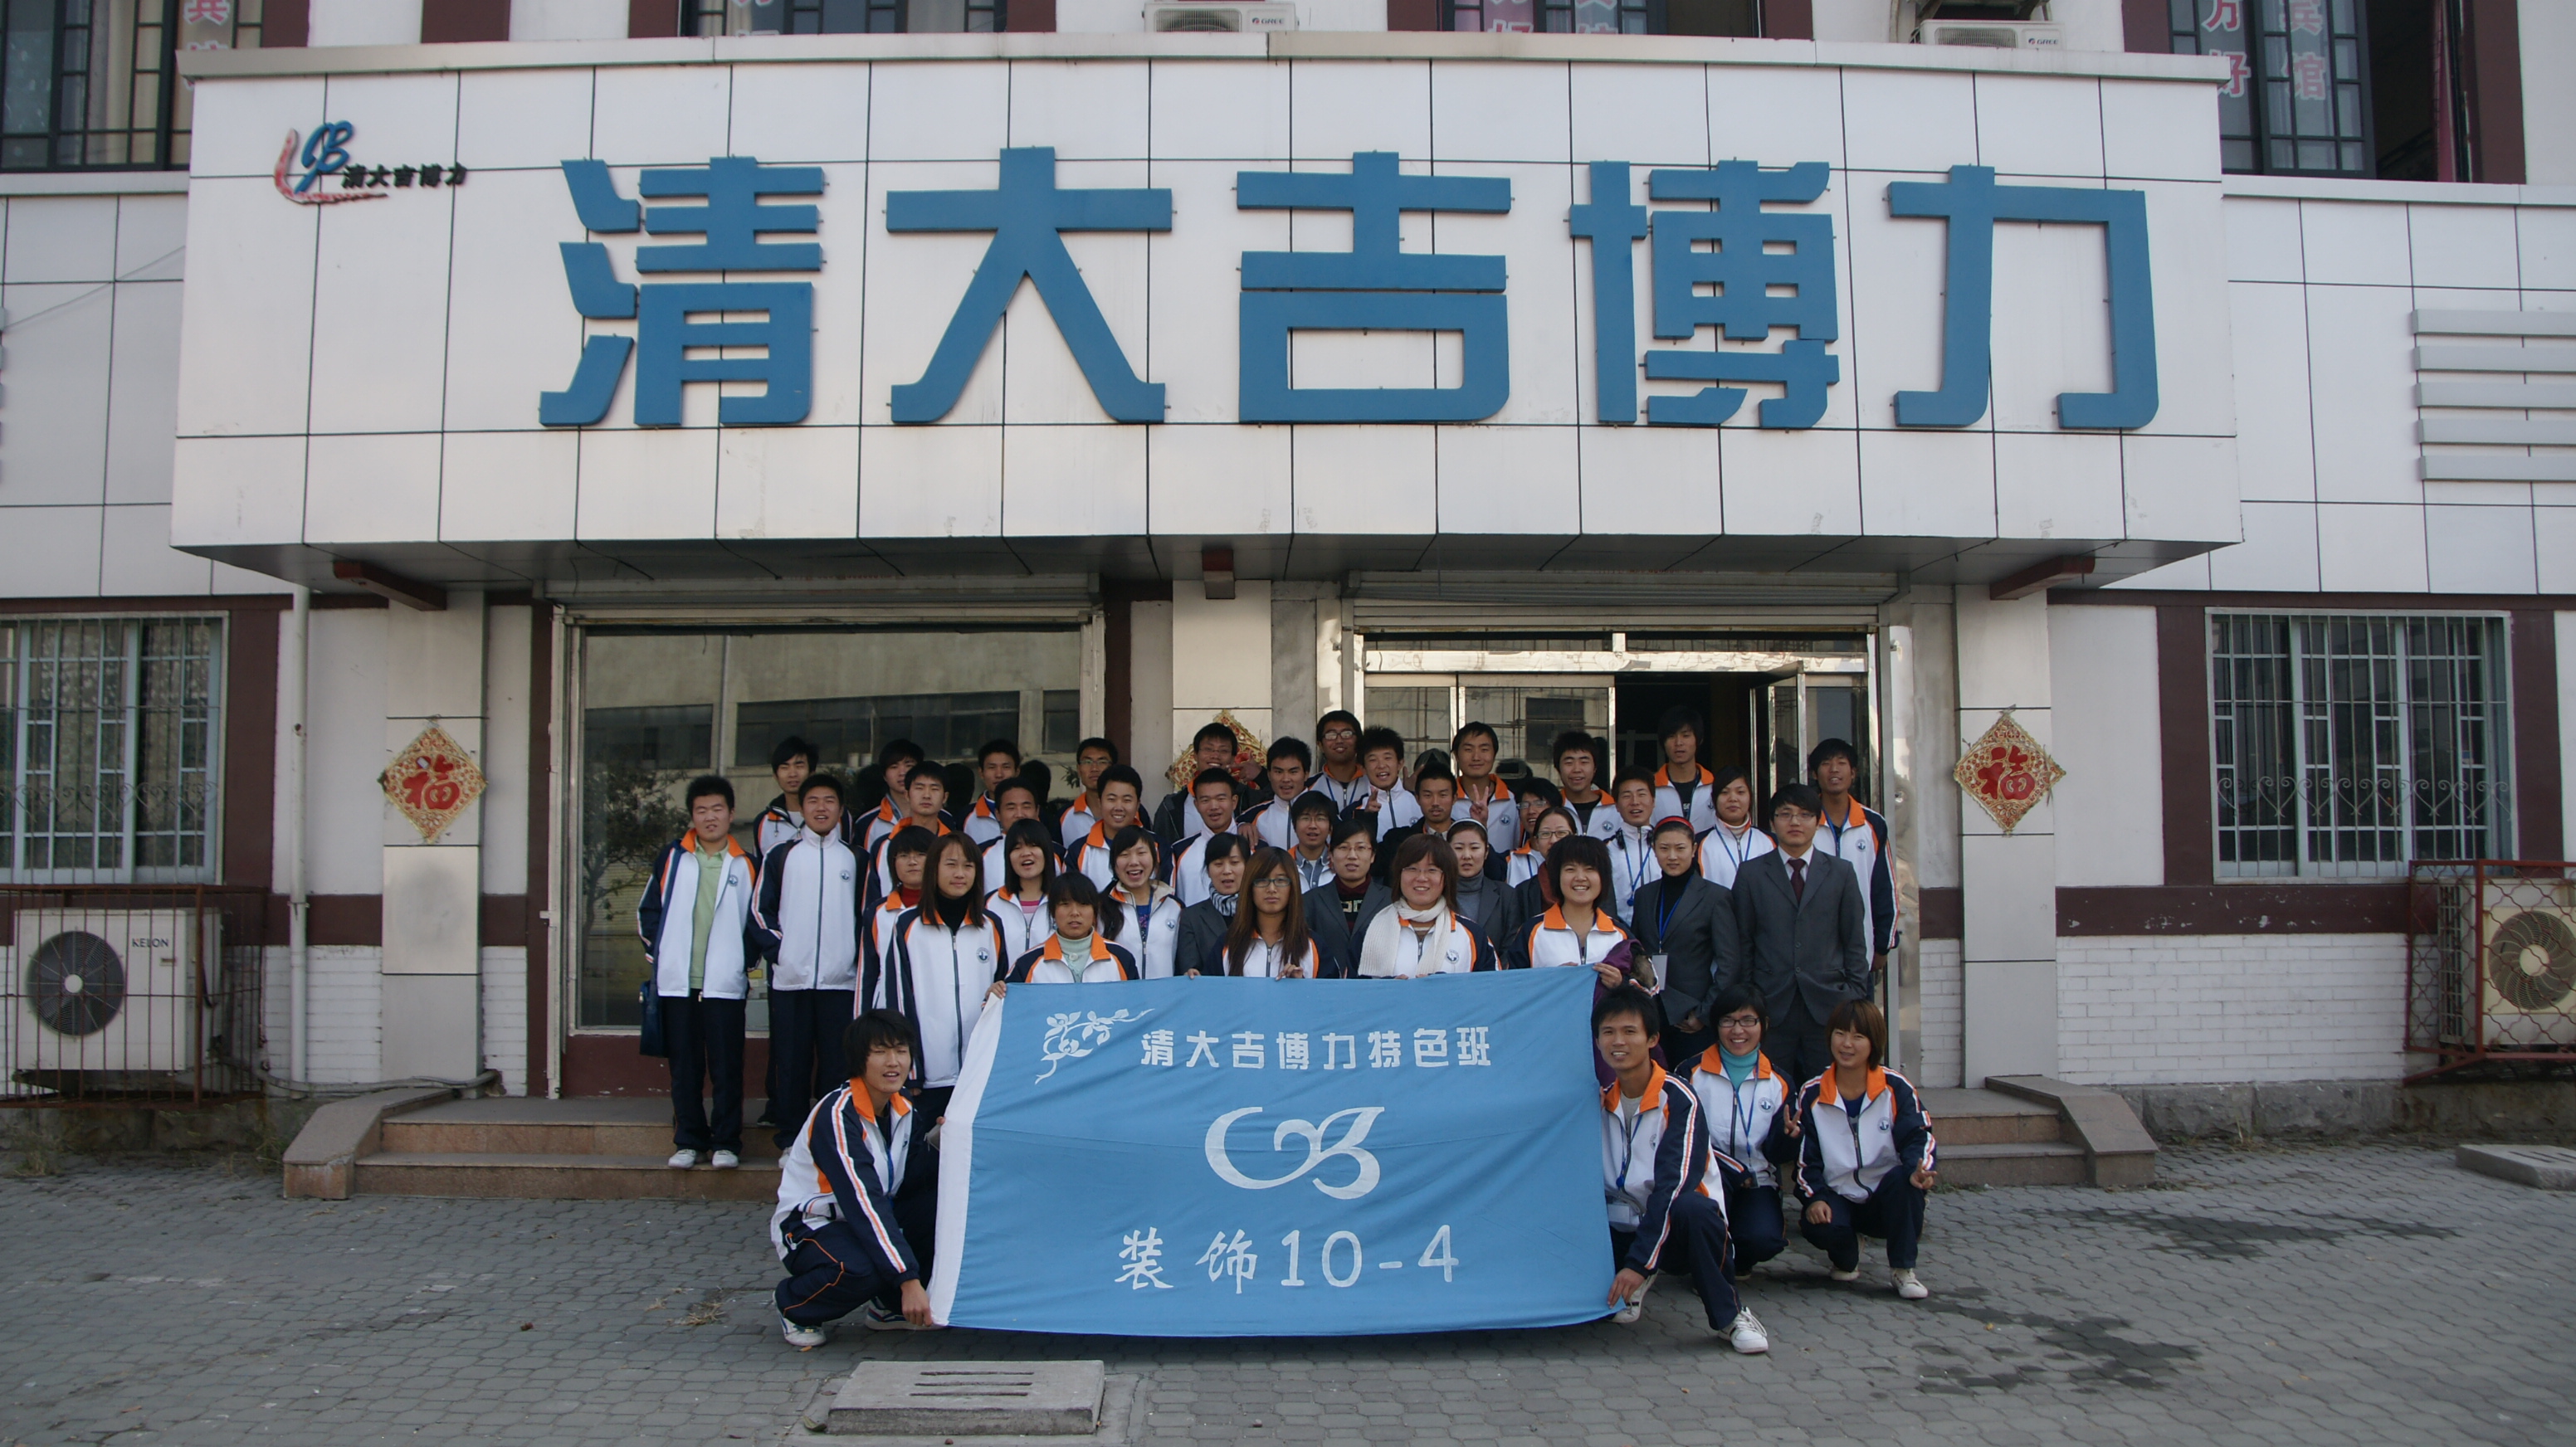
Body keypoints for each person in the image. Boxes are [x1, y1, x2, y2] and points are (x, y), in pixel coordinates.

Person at [1594, 985, 1768, 1353]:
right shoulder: (1598, 1101)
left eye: (1629, 1031)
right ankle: (1623, 1284)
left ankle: (1731, 1315)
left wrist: (1639, 1263)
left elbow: (1672, 1187)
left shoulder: (1679, 1098)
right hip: (1620, 1226)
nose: (1618, 1042)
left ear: (1652, 1039)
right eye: (1608, 1032)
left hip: (1675, 1230)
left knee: (1694, 1209)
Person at [772, 1010, 940, 1347]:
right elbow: (865, 1202)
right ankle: (794, 1305)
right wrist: (908, 1279)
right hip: (813, 1225)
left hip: (870, 1218)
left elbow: (915, 1182)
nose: (893, 1062)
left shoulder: (904, 1108)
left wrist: (943, 1143)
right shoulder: (837, 1115)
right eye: (880, 1052)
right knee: (860, 1269)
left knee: (943, 1211)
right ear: (859, 1059)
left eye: (901, 1051)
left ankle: (887, 1307)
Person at [639, 774, 759, 1171]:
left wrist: (745, 962)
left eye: (717, 809)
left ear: (731, 814)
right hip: (679, 984)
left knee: (727, 1067)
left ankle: (726, 1142)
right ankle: (689, 1140)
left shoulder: (746, 863)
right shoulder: (673, 858)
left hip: (725, 984)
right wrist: (661, 957)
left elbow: (757, 921)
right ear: (692, 816)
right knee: (685, 1068)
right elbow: (648, 911)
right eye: (701, 810)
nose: (710, 817)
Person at [1793, 999, 1937, 1300]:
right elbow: (1806, 1159)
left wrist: (1918, 1168)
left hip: (1884, 1193)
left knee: (1907, 1182)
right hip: (1838, 1193)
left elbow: (1918, 1135)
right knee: (1819, 1225)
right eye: (1840, 1034)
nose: (1847, 1044)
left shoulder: (1895, 1087)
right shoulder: (1811, 1093)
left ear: (1874, 1043)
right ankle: (1847, 1253)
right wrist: (1815, 1197)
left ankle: (1903, 1269)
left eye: (1858, 1036)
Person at [1733, 784, 1871, 1093]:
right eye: (1786, 814)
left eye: (1805, 815)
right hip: (1770, 1003)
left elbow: (1854, 940)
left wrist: (1853, 993)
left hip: (1828, 1002)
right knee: (1769, 1090)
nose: (1795, 822)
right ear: (1772, 822)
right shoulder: (1751, 874)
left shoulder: (1841, 873)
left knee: (1827, 1091)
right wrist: (1750, 996)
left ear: (1818, 821)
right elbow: (1743, 941)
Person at [753, 773, 864, 1152]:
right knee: (791, 1064)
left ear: (840, 809)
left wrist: (852, 958)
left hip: (840, 981)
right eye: (813, 801)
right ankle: (791, 1141)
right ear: (801, 808)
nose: (821, 808)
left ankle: (829, 1140)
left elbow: (866, 916)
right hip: (791, 981)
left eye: (829, 801)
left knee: (836, 1066)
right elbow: (760, 911)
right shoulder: (781, 856)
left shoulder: (856, 858)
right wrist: (781, 954)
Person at [877, 833, 1006, 1121]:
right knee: (924, 1147)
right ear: (934, 869)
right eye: (951, 864)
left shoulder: (990, 926)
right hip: (928, 1077)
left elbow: (1002, 994)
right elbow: (898, 998)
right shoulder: (908, 925)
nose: (960, 874)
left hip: (980, 1073)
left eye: (968, 866)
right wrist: (911, 1070)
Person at [1690, 992, 1795, 1282]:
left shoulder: (1780, 1081)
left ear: (1764, 1025)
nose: (1738, 1030)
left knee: (1763, 1239)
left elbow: (1777, 1153)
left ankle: (1738, 1261)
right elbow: (1684, 1140)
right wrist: (1734, 1170)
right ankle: (1706, 1266)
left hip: (1758, 1182)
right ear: (1716, 1025)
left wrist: (1789, 1138)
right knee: (1696, 1218)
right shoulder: (1690, 1073)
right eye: (1728, 1021)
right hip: (1708, 1179)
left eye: (1748, 1021)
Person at [1630, 818, 1742, 1065]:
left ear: (1693, 849)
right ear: (1654, 850)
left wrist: (1705, 1013)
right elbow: (1635, 950)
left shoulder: (1715, 897)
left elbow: (1730, 963)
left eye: (1680, 848)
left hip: (1691, 1012)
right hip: (1649, 1010)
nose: (1672, 856)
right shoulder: (1644, 895)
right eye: (1664, 848)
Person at [1809, 738, 1897, 980]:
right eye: (1826, 764)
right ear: (1815, 774)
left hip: (1861, 948)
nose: (1834, 770)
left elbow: (1884, 886)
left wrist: (1883, 945)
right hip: (1811, 954)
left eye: (1841, 763)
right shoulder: (1803, 822)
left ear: (1853, 773)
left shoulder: (1873, 824)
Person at [1352, 834, 1500, 977]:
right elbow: (1352, 989)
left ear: (1447, 878)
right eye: (1412, 869)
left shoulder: (1472, 935)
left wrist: (1446, 987)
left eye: (1432, 870)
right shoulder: (1369, 933)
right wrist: (1388, 987)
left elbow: (1493, 988)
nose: (1421, 878)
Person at [1516, 834, 1632, 984]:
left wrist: (1621, 984)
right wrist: (1549, 982)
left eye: (1590, 869)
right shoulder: (1532, 931)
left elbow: (1649, 988)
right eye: (1570, 869)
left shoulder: (1621, 934)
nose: (1580, 877)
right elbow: (1512, 987)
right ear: (1556, 876)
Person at [1004, 874, 1140, 983]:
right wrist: (996, 992)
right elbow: (1004, 1004)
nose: (1075, 912)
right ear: (1052, 911)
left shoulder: (1121, 958)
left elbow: (1137, 1005)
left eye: (1083, 904)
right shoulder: (1027, 964)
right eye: (1065, 904)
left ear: (1095, 911)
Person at [862, 826, 935, 1016]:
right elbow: (868, 973)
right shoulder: (878, 912)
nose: (912, 861)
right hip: (889, 1013)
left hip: (935, 1009)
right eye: (903, 855)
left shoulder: (946, 908)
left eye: (921, 854)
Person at [1218, 848, 1325, 978]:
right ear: (1250, 887)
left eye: (1281, 880)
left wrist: (1300, 986)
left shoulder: (1313, 946)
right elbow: (1210, 988)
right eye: (1262, 881)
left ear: (1293, 886)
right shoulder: (1228, 944)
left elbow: (1330, 990)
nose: (1272, 889)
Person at [1305, 817, 1389, 978]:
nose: (1352, 856)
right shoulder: (1310, 902)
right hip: (1324, 987)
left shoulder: (1391, 901)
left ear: (1372, 855)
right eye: (1343, 848)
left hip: (1377, 987)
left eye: (1361, 848)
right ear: (1331, 854)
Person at [869, 762, 956, 904]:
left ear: (945, 797)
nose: (927, 795)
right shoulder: (883, 845)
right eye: (919, 788)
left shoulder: (955, 847)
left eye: (934, 789)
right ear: (907, 795)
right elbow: (872, 899)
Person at [1101, 823, 1180, 980]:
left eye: (1141, 853)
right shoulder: (1100, 908)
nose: (1134, 862)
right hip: (1118, 995)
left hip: (1166, 995)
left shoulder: (1174, 907)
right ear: (1114, 864)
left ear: (1154, 858)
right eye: (1124, 855)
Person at [1173, 831, 1250, 977]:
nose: (1227, 871)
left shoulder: (1261, 913)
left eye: (1234, 863)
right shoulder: (1191, 917)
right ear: (1208, 870)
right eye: (1218, 864)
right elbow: (1190, 968)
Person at [1168, 768, 1247, 905]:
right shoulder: (1178, 851)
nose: (1214, 806)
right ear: (1196, 805)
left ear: (1234, 801)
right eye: (1205, 800)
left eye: (1221, 799)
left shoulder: (1254, 846)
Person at [1154, 722, 1242, 842]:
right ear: (1195, 755)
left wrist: (1260, 776)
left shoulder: (1247, 798)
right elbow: (1160, 847)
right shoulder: (1172, 805)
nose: (1215, 755)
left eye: (1223, 751)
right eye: (1208, 749)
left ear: (1233, 758)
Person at [988, 819, 1057, 963]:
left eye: (1033, 845)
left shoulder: (1065, 901)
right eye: (1017, 848)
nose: (1025, 853)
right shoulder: (990, 903)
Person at [1373, 761, 1458, 879]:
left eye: (1443, 795)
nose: (1435, 802)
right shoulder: (1396, 841)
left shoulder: (1467, 839)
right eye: (1427, 795)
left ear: (1454, 798)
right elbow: (1370, 867)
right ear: (1417, 798)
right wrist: (1369, 817)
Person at [1069, 765, 1151, 886]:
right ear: (1100, 802)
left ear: (1138, 804)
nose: (1118, 807)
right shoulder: (1078, 851)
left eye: (1127, 800)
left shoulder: (1158, 847)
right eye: (1111, 799)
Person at [1696, 766, 1774, 891]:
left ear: (1750, 797)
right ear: (1714, 799)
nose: (1733, 798)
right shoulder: (1698, 843)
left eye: (1740, 792)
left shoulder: (1770, 841)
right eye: (1724, 792)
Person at [1448, 721, 1522, 854]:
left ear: (1494, 754)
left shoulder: (1512, 800)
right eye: (1468, 750)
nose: (1476, 757)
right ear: (1456, 756)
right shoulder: (1447, 799)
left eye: (1484, 750)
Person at [1447, 819, 1522, 946]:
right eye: (1458, 848)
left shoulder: (1506, 895)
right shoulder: (1437, 894)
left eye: (1474, 848)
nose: (1467, 855)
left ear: (1486, 852)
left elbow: (1512, 945)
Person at [754, 736, 830, 858]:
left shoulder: (835, 816)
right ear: (775, 775)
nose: (792, 774)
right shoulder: (764, 822)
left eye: (799, 766)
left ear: (812, 772)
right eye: (785, 768)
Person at [1650, 709, 1720, 836]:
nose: (1678, 743)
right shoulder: (1650, 788)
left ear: (1699, 740)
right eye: (1671, 736)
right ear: (1663, 742)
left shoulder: (1716, 786)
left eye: (1686, 736)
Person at [1604, 766, 1660, 922]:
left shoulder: (1668, 848)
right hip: (1619, 931)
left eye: (1642, 794)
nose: (1635, 802)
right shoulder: (1605, 850)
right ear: (1616, 805)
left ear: (1653, 801)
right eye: (1627, 796)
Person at [1241, 737, 1314, 850]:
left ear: (1306, 774)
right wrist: (1240, 826)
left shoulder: (1327, 812)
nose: (1286, 779)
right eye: (1278, 772)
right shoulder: (1251, 817)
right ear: (1269, 775)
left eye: (1293, 772)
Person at [1349, 726, 1420, 840]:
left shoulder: (1420, 802)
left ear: (1400, 763)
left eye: (1387, 758)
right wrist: (1367, 817)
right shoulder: (1354, 811)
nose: (1381, 765)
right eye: (1373, 760)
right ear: (1363, 768)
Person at [976, 778, 1044, 893]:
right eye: (1011, 808)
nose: (1019, 814)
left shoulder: (1057, 853)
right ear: (998, 814)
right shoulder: (979, 854)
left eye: (1026, 807)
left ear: (1037, 811)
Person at [856, 739, 928, 847]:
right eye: (894, 767)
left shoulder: (942, 816)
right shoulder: (866, 823)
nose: (902, 773)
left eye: (909, 766)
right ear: (884, 776)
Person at [1056, 737, 1120, 850]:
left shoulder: (1133, 811)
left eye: (1102, 762)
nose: (1094, 768)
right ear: (1079, 769)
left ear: (1113, 768)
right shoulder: (1064, 816)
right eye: (1087, 762)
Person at [1554, 730, 1619, 839]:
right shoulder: (1552, 808)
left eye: (1584, 762)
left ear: (1595, 768)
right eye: (1569, 763)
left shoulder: (1616, 810)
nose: (1577, 769)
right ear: (1558, 768)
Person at [963, 738, 1022, 845]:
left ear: (1017, 772)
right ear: (981, 773)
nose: (999, 774)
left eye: (1006, 767)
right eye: (992, 767)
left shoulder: (1032, 813)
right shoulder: (965, 817)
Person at [1505, 806, 1576, 889]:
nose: (1553, 841)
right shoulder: (1523, 888)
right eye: (1545, 834)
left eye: (1561, 833)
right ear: (1537, 841)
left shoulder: (1588, 869)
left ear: (1575, 837)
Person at [1310, 710, 1368, 811]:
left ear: (1358, 741)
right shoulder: (1308, 787)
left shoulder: (1373, 783)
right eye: (1331, 735)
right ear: (1320, 745)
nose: (1339, 740)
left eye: (1346, 734)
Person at [1285, 791, 1338, 890]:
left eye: (1320, 819)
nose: (1313, 825)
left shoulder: (1340, 863)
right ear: (1294, 825)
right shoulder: (1283, 864)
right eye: (1306, 818)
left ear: (1330, 827)